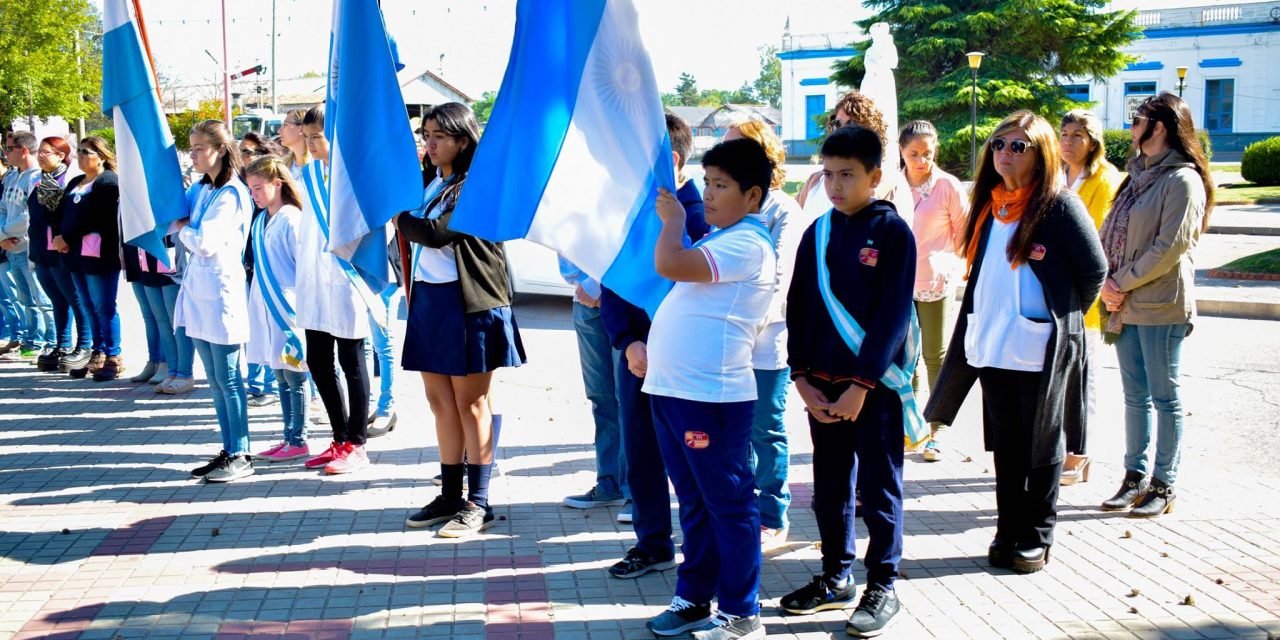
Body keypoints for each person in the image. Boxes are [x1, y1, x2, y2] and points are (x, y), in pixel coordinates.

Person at [925, 111, 1106, 574]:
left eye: (1018, 146)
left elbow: (1094, 272)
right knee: (1006, 445)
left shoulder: (1060, 207)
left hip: (1039, 348)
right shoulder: (989, 205)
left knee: (1042, 445)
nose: (1005, 153)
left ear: (1040, 153)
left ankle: (1037, 536)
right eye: (999, 144)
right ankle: (1007, 529)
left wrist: (1057, 313)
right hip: (994, 345)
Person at [779, 125, 915, 638]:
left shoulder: (893, 232)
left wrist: (861, 384)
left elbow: (893, 317)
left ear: (875, 176)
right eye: (829, 174)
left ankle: (883, 583)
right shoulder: (817, 232)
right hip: (822, 386)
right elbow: (800, 306)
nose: (835, 185)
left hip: (872, 390)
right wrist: (800, 376)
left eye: (848, 175)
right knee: (830, 488)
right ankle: (835, 574)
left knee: (880, 488)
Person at [641, 138, 775, 640]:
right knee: (695, 502)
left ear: (753, 196)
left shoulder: (746, 242)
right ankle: (694, 598)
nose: (710, 194)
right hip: (675, 391)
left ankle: (741, 612)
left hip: (711, 398)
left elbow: (670, 265)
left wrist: (674, 222)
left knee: (728, 504)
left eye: (721, 186)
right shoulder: (721, 238)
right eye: (709, 182)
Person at [397, 102, 525, 538]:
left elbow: (435, 234)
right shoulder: (433, 181)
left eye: (438, 136)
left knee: (472, 404)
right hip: (431, 303)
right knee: (440, 403)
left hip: (470, 305)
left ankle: (479, 502)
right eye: (426, 134)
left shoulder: (477, 187)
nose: (428, 143)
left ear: (463, 140)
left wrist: (399, 215)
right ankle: (450, 493)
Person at [600, 113, 708, 579]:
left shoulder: (703, 216)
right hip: (639, 359)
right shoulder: (630, 214)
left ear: (672, 161)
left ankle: (704, 550)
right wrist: (627, 341)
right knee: (641, 453)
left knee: (692, 459)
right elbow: (614, 283)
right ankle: (652, 543)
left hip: (688, 362)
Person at [1098, 92, 1213, 518]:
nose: (1131, 127)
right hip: (1124, 303)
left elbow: (1172, 245)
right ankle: (1134, 478)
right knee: (1135, 397)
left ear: (1159, 128)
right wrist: (1108, 285)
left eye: (1137, 119)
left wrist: (1120, 282)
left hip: (1162, 304)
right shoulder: (1137, 176)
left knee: (1165, 396)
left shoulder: (1182, 180)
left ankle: (1164, 484)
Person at [723, 118, 802, 552]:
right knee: (734, 429)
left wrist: (742, 320)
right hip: (729, 339)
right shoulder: (727, 205)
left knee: (765, 427)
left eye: (734, 146)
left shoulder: (783, 211)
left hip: (766, 338)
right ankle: (741, 510)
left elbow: (780, 279)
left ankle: (773, 514)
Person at [295, 104, 376, 475]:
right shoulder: (309, 174)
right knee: (318, 361)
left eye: (318, 136)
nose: (311, 143)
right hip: (313, 282)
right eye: (307, 136)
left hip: (345, 281)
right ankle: (339, 436)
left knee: (352, 362)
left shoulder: (353, 179)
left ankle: (357, 443)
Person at [177, 120, 254, 483]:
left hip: (221, 292)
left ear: (220, 150)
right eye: (190, 148)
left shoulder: (232, 194)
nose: (192, 155)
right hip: (199, 291)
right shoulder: (202, 189)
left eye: (198, 149)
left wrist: (182, 230)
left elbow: (205, 241)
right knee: (214, 379)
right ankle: (227, 448)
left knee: (229, 378)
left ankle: (241, 452)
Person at [1058, 109, 1122, 485]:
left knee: (1084, 379)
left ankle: (1079, 453)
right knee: (1061, 380)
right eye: (1064, 134)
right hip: (1054, 292)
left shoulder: (1104, 179)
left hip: (1085, 291)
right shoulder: (1055, 173)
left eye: (1077, 136)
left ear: (1093, 141)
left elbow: (1098, 237)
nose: (1068, 142)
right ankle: (1063, 450)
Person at [898, 120, 969, 462]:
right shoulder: (894, 185)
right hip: (899, 283)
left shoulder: (947, 186)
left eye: (927, 153)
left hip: (935, 283)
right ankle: (910, 428)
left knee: (934, 356)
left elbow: (966, 232)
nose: (921, 160)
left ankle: (936, 428)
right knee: (905, 360)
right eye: (914, 153)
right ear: (901, 151)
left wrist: (954, 266)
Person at [244, 156, 311, 463]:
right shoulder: (262, 220)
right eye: (251, 189)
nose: (254, 194)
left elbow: (303, 267)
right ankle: (287, 436)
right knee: (280, 375)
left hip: (288, 307)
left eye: (258, 188)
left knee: (294, 374)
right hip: (266, 306)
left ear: (277, 184)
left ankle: (299, 438)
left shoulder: (292, 218)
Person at [52, 136, 124, 381]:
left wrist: (67, 237)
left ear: (101, 156)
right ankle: (98, 352)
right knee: (88, 306)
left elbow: (98, 217)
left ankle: (113, 356)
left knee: (104, 306)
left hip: (99, 256)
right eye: (79, 151)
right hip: (75, 257)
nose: (81, 156)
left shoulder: (108, 182)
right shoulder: (75, 182)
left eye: (86, 152)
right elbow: (62, 213)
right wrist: (59, 236)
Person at [559, 254, 628, 511]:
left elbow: (630, 241)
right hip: (584, 302)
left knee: (629, 401)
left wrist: (596, 285)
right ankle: (609, 483)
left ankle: (635, 492)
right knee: (601, 398)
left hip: (624, 297)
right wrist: (583, 286)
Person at [797, 91, 915, 230]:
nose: (842, 130)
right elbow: (795, 231)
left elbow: (899, 243)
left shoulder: (892, 184)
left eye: (852, 124)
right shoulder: (815, 181)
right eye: (838, 123)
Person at [27, 137, 91, 372]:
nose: (41, 155)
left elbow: (66, 217)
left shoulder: (69, 181)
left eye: (46, 152)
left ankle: (84, 345)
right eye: (40, 151)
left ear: (61, 155)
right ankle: (62, 344)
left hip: (61, 249)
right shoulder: (37, 180)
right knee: (56, 299)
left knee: (74, 298)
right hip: (40, 249)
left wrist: (63, 239)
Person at [1, 131, 55, 362]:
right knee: (24, 299)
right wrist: (2, 235)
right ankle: (31, 343)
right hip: (11, 246)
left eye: (9, 149)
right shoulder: (13, 177)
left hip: (28, 247)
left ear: (24, 150)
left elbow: (28, 216)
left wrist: (4, 234)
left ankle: (51, 342)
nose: (5, 153)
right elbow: (3, 208)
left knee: (41, 299)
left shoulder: (36, 178)